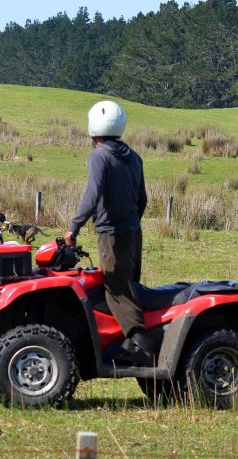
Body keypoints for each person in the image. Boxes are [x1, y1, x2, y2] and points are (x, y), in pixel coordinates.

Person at [64, 100, 154, 365]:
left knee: (116, 289)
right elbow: (143, 200)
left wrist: (74, 227)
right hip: (133, 232)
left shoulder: (100, 157)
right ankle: (128, 340)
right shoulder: (134, 157)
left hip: (112, 234)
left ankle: (140, 343)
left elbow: (92, 196)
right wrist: (132, 223)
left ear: (94, 129)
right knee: (130, 285)